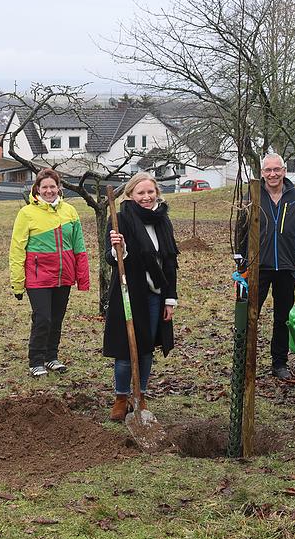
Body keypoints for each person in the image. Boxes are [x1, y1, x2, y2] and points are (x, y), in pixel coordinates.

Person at [234, 153, 295, 380]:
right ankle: (244, 362)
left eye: (277, 169)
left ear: (284, 171)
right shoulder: (253, 196)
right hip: (257, 268)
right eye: (268, 170)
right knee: (249, 316)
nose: (273, 174)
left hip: (287, 267)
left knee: (282, 318)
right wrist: (241, 261)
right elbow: (241, 229)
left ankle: (279, 363)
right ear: (262, 173)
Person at [104, 172, 179, 421]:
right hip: (129, 292)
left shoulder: (163, 221)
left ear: (157, 193)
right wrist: (119, 249)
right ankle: (121, 397)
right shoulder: (120, 220)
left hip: (155, 294)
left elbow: (170, 262)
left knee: (146, 347)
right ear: (130, 195)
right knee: (126, 347)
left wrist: (170, 298)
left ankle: (141, 394)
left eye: (150, 192)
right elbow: (110, 258)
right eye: (141, 193)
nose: (146, 197)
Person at [9, 167, 90, 377]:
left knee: (56, 319)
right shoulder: (26, 213)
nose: (49, 191)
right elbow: (17, 249)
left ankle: (51, 357)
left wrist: (83, 278)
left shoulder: (70, 211)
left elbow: (79, 246)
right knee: (43, 318)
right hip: (38, 277)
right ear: (37, 188)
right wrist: (17, 283)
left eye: (52, 186)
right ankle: (36, 360)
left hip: (63, 276)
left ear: (58, 187)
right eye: (44, 187)